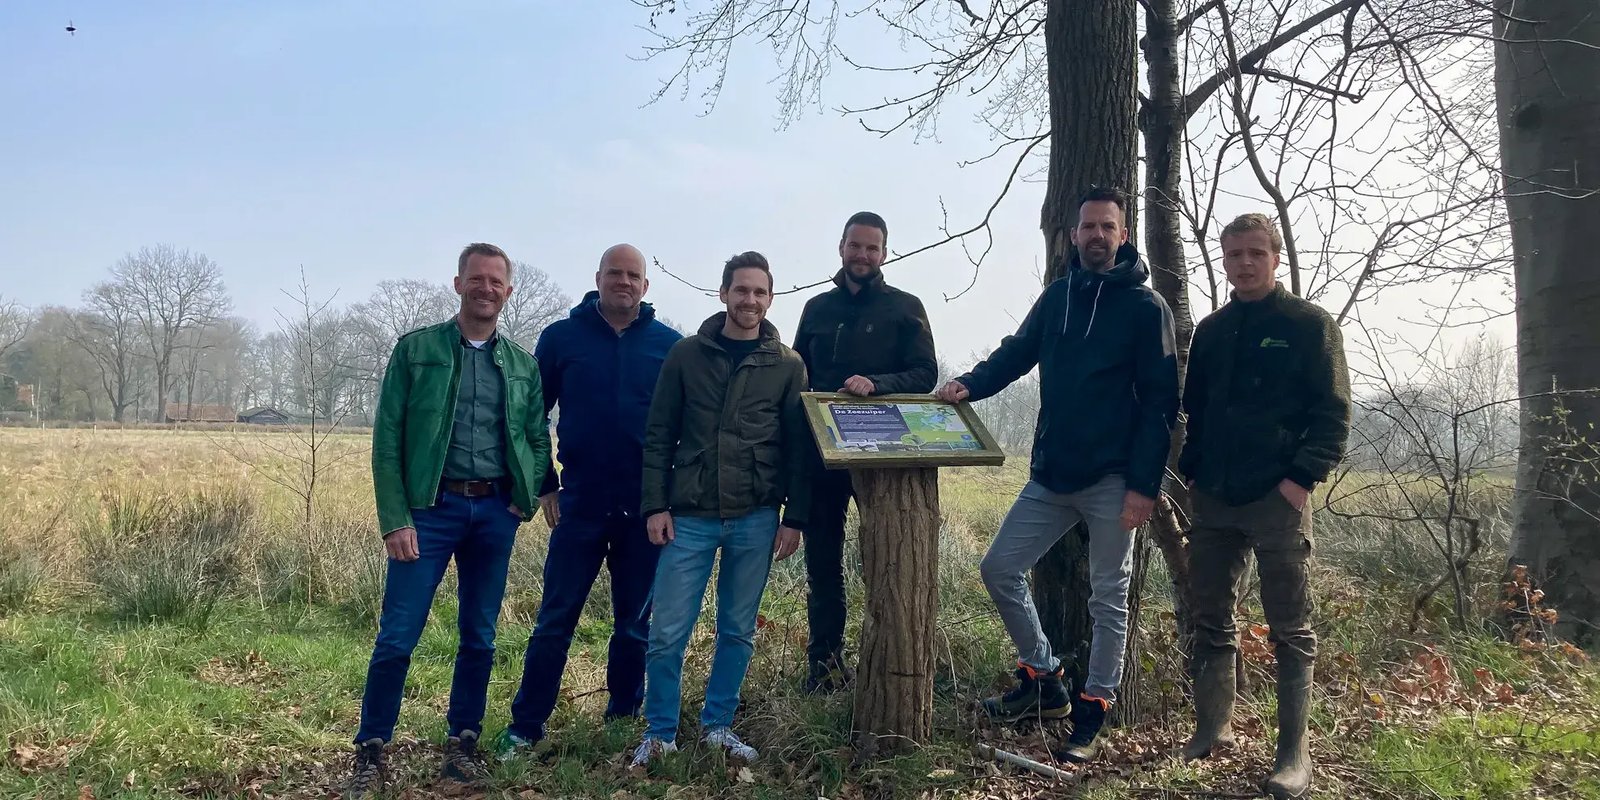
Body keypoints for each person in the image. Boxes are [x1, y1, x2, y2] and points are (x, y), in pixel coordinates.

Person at [935, 187, 1179, 763]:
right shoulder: (1058, 297)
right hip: (1051, 475)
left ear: (1123, 234)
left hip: (1115, 479)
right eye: (1088, 226)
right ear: (1072, 236)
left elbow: (1162, 404)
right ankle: (1044, 680)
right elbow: (1018, 351)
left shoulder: (1147, 310)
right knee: (998, 568)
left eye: (1107, 226)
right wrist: (970, 383)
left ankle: (1094, 706)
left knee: (1108, 597)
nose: (1097, 235)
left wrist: (1146, 485)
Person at [345, 243, 552, 798]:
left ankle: (462, 744)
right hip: (427, 513)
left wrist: (523, 501)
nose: (487, 289)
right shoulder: (418, 352)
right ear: (458, 284)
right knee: (397, 635)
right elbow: (388, 438)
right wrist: (395, 518)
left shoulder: (521, 365)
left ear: (508, 291)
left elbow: (536, 438)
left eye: (497, 282)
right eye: (476, 279)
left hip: (493, 513)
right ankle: (370, 749)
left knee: (480, 637)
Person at [1178, 213, 1350, 800]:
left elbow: (1332, 414)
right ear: (1223, 261)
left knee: (1290, 628)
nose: (1244, 263)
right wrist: (1192, 471)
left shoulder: (1309, 325)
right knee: (1210, 618)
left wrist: (1301, 480)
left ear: (1275, 257)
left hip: (1277, 497)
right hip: (1214, 498)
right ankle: (1212, 729)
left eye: (1256, 253)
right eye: (1234, 255)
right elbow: (1194, 409)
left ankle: (1292, 755)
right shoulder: (1211, 330)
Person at [497, 244, 682, 754]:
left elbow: (684, 428)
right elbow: (531, 418)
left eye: (634, 276)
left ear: (646, 287)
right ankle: (525, 726)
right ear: (598, 278)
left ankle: (623, 713)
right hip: (579, 504)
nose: (624, 282)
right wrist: (546, 484)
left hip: (645, 510)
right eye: (615, 274)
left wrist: (669, 499)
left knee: (635, 625)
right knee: (555, 619)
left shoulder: (669, 346)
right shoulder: (561, 339)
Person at [630, 251, 811, 768]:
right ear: (723, 294)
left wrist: (794, 517)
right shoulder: (688, 354)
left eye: (759, 292)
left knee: (737, 629)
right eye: (740, 290)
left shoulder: (788, 364)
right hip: (688, 515)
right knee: (667, 631)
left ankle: (718, 726)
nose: (749, 300)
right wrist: (654, 506)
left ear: (770, 298)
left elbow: (798, 447)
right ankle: (660, 732)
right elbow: (660, 433)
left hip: (756, 517)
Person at [790, 211, 937, 693]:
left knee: (889, 562)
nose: (862, 255)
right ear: (841, 248)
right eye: (855, 246)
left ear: (884, 254)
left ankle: (889, 668)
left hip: (885, 457)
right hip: (823, 459)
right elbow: (798, 377)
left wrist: (878, 385)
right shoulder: (816, 309)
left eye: (872, 248)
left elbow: (925, 374)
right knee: (824, 567)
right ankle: (826, 668)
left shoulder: (906, 307)